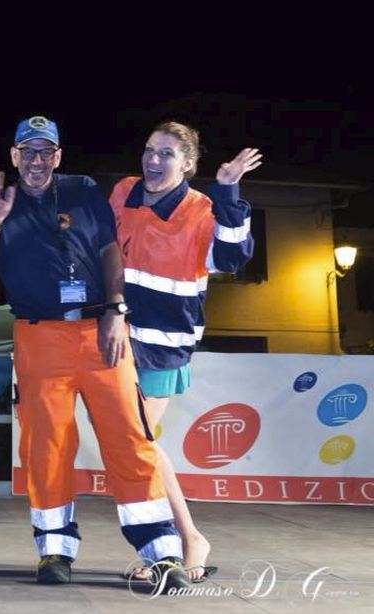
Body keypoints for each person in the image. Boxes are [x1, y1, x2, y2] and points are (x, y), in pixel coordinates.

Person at [0, 116, 191, 591]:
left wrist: (116, 307)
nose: (35, 160)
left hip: (99, 329)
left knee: (130, 438)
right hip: (37, 338)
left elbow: (111, 250)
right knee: (45, 446)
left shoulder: (84, 189)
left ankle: (161, 552)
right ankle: (54, 549)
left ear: (58, 156)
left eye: (45, 151)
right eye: (26, 151)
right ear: (13, 156)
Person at [109, 122, 260, 581]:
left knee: (138, 443)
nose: (154, 160)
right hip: (117, 338)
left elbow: (233, 258)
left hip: (164, 345)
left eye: (168, 154)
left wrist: (230, 191)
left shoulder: (203, 209)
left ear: (189, 164)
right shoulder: (122, 192)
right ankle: (174, 543)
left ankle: (182, 542)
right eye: (150, 149)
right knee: (141, 445)